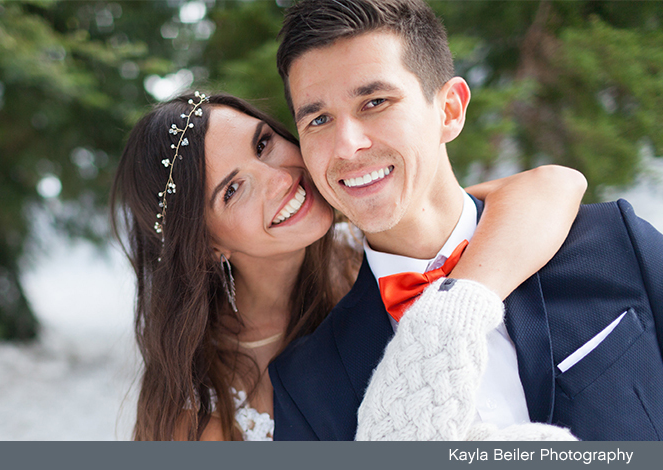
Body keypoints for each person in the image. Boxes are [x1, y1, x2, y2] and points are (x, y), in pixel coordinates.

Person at [269, 0, 663, 441]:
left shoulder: (615, 243)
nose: (346, 146)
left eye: (375, 102)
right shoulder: (305, 385)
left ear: (450, 110)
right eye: (319, 119)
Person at [111, 91, 586, 440]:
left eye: (263, 145)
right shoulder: (203, 401)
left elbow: (552, 186)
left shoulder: (375, 239)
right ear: (205, 245)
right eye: (233, 190)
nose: (279, 179)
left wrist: (454, 312)